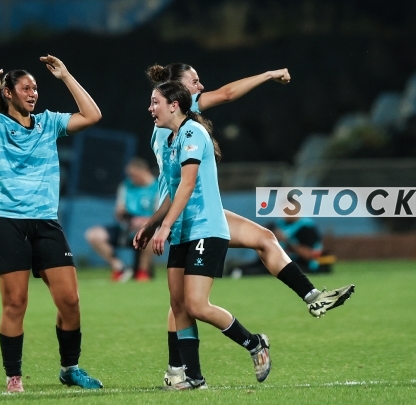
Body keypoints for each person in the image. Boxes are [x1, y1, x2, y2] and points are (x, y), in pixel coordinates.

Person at [142, 62, 355, 387]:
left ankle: (312, 296)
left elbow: (184, 184)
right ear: (178, 92)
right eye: (194, 82)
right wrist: (268, 75)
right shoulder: (174, 126)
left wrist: (158, 223)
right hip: (186, 214)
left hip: (196, 215)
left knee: (261, 241)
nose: (200, 87)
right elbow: (227, 94)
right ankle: (181, 370)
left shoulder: (182, 127)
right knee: (183, 302)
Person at [0, 55, 103, 392]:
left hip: (45, 222)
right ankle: (14, 378)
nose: (33, 93)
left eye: (36, 88)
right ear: (8, 92)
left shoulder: (48, 123)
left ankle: (70, 369)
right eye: (26, 88)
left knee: (70, 301)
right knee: (15, 303)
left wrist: (66, 76)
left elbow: (92, 115)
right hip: (7, 222)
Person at [135, 80, 272, 390]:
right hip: (182, 231)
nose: (150, 108)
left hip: (206, 228)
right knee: (179, 306)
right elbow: (172, 192)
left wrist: (165, 226)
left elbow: (187, 184)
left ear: (174, 105)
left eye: (155, 102)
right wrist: (152, 224)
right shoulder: (170, 140)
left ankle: (254, 343)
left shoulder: (192, 133)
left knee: (196, 304)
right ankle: (194, 378)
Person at [85, 157, 158, 282]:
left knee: (152, 232)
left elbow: (160, 215)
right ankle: (120, 267)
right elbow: (119, 210)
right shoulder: (126, 186)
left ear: (145, 171)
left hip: (145, 229)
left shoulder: (158, 187)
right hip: (126, 228)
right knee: (93, 235)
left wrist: (142, 221)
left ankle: (142, 272)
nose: (131, 178)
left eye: (134, 175)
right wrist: (124, 216)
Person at [231, 213, 325, 278]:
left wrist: (287, 241)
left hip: (302, 265)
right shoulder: (277, 225)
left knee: (261, 271)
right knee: (240, 268)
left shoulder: (306, 227)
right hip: (275, 261)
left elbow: (308, 255)